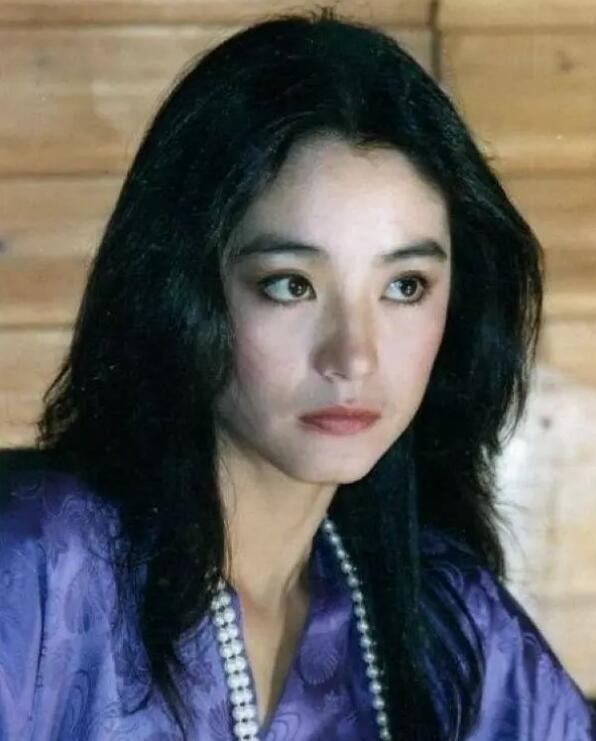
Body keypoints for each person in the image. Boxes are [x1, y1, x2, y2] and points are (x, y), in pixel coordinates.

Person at [0, 8, 594, 741]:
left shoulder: (446, 626)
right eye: (291, 285)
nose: (354, 357)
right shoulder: (40, 567)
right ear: (182, 290)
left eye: (405, 286)